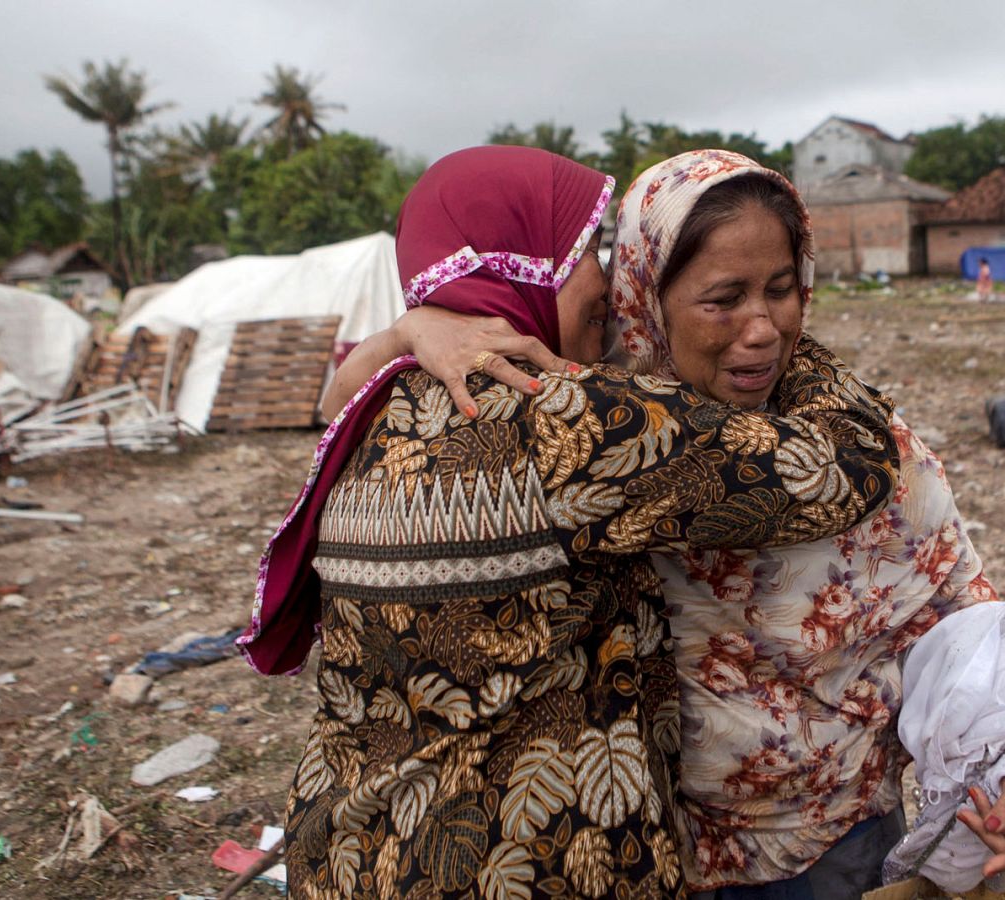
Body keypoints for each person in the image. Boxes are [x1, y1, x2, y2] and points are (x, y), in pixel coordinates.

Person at [352, 150, 1005, 898]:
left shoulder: (869, 437)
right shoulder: (589, 429)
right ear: (644, 298)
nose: (764, 327)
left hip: (832, 848)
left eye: (781, 287)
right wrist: (415, 328)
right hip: (645, 855)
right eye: (723, 298)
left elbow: (961, 612)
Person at [241, 146, 905, 899]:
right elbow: (845, 467)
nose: (609, 278)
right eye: (583, 251)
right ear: (520, 268)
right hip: (515, 870)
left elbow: (337, 395)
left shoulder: (373, 411)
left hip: (350, 857)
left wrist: (409, 329)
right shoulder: (561, 422)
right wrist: (778, 323)